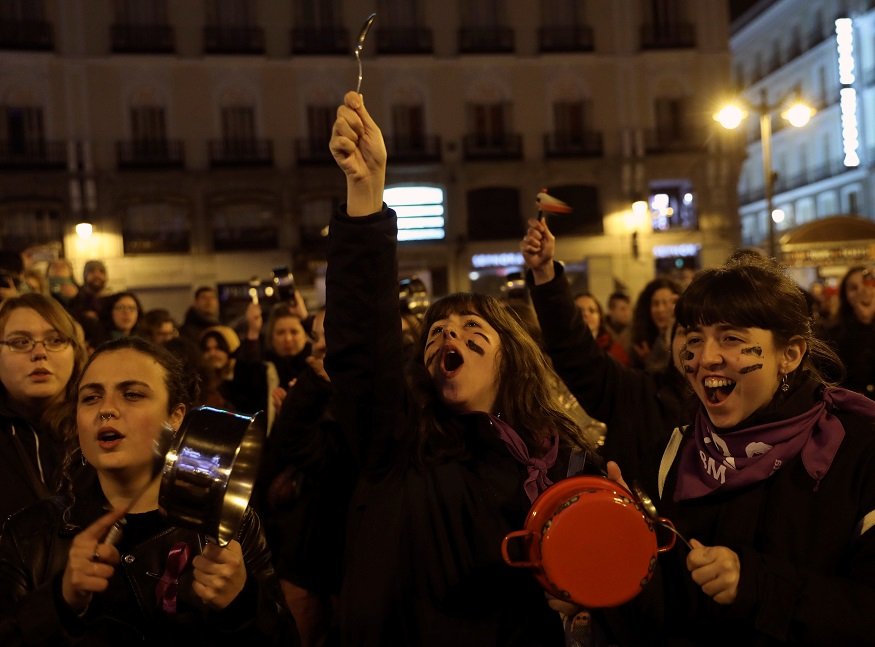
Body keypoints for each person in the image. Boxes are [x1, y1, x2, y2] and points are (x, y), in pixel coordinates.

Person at [327, 90, 602, 646]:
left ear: (513, 358)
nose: (450, 334)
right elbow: (361, 342)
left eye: (474, 330)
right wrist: (365, 192)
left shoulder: (563, 455)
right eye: (436, 334)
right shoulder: (398, 444)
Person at [0, 336, 298, 645]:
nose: (106, 410)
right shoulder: (29, 534)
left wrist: (241, 606)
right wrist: (60, 601)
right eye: (90, 398)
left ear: (176, 416)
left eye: (131, 394)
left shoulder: (232, 523)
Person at [655, 254, 875, 644]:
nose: (706, 358)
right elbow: (667, 609)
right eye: (693, 340)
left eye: (731, 338)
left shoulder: (858, 448)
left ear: (789, 354)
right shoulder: (683, 451)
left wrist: (759, 586)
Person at [0, 293, 87, 524]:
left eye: (56, 340)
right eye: (20, 342)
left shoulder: (102, 426)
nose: (40, 353)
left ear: (75, 353)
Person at [231, 302, 310, 428]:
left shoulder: (314, 367)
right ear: (271, 337)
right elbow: (244, 387)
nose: (288, 339)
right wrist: (253, 331)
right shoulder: (264, 366)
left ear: (305, 335)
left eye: (294, 332)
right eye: (280, 333)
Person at [823, 265, 875, 398]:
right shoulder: (832, 333)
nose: (861, 292)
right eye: (853, 288)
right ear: (845, 295)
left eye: (868, 285)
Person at [631, 276, 681, 374]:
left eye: (665, 303)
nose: (660, 309)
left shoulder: (685, 337)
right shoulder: (643, 341)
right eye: (655, 303)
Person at [574, 292, 631, 366]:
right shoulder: (560, 347)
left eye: (592, 310)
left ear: (600, 317)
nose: (586, 314)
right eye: (579, 310)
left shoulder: (614, 351)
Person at [199, 325, 241, 410]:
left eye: (218, 348)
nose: (212, 354)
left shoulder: (240, 381)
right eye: (207, 349)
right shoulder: (201, 385)